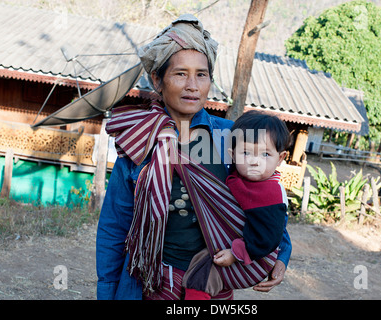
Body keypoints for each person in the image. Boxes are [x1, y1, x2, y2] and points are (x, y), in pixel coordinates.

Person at [96, 14, 292, 300]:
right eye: (180, 73)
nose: (192, 85)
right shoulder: (138, 142)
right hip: (149, 282)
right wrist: (106, 292)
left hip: (213, 280)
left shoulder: (231, 137)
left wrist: (282, 255)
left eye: (201, 74)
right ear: (157, 80)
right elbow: (114, 226)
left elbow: (267, 200)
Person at [182, 110, 290, 300]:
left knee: (201, 276)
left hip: (253, 258)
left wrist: (236, 253)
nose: (254, 161)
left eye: (265, 154)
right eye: (246, 153)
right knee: (199, 269)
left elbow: (270, 235)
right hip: (239, 249)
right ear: (232, 155)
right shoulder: (241, 175)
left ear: (280, 158)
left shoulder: (269, 194)